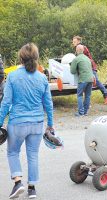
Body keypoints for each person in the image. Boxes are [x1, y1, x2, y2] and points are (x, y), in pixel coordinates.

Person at [0, 43, 53, 199]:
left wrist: (0, 121)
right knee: (33, 155)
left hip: (17, 123)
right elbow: (48, 103)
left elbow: (6, 102)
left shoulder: (13, 76)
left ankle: (18, 183)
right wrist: (50, 124)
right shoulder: (42, 78)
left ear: (20, 58)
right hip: (37, 124)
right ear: (36, 58)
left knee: (12, 152)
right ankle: (32, 189)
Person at [72, 35, 107, 104]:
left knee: (95, 81)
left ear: (78, 41)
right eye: (73, 41)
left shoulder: (82, 48)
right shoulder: (78, 48)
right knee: (87, 85)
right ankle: (87, 103)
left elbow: (82, 59)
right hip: (87, 68)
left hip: (90, 67)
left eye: (74, 41)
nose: (73, 43)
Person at [70, 44, 94, 117]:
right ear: (83, 50)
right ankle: (85, 112)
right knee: (88, 96)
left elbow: (72, 71)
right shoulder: (87, 58)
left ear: (76, 51)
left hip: (83, 79)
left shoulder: (76, 59)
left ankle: (81, 113)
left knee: (79, 95)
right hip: (90, 79)